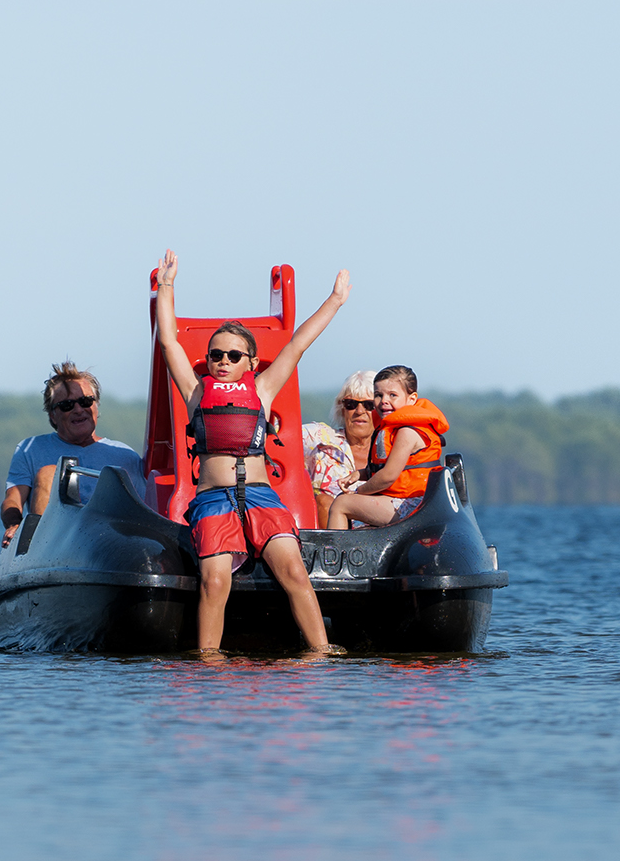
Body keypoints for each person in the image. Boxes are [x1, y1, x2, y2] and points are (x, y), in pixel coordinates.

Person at [156, 252, 349, 654]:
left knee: (294, 570)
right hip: (212, 499)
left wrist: (334, 300)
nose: (223, 362)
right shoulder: (196, 393)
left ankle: (322, 653)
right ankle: (210, 659)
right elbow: (169, 339)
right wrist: (167, 285)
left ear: (252, 361)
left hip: (261, 495)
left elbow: (298, 343)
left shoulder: (262, 391)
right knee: (215, 581)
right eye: (215, 355)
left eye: (233, 356)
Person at [0, 362, 142, 544]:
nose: (78, 409)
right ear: (52, 415)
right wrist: (14, 525)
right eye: (67, 405)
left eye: (85, 401)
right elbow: (13, 500)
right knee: (48, 473)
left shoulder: (126, 455)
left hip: (109, 545)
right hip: (53, 546)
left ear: (96, 407)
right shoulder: (30, 449)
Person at [325, 365, 449, 529]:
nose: (384, 401)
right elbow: (386, 469)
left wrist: (360, 491)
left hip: (414, 505)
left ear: (411, 399)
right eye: (378, 395)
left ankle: (334, 553)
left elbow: (388, 476)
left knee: (342, 503)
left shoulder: (407, 433)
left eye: (392, 395)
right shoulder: (391, 430)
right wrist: (359, 474)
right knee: (351, 506)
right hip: (402, 501)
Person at [304, 371, 376, 524]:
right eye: (351, 404)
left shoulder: (393, 453)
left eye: (369, 405)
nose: (359, 411)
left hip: (377, 538)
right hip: (328, 538)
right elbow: (278, 432)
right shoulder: (319, 438)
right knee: (324, 501)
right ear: (342, 409)